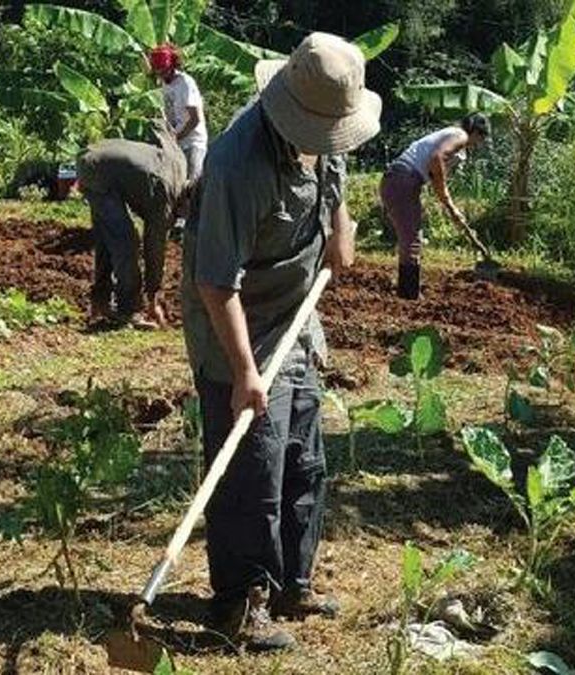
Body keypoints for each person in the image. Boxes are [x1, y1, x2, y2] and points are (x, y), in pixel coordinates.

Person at [181, 32, 379, 652]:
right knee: (250, 469)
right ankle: (241, 601)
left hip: (297, 315)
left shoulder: (324, 128)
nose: (329, 142)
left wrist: (340, 228)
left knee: (303, 458)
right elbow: (215, 282)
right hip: (237, 325)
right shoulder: (239, 163)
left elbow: (335, 177)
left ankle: (294, 578)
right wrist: (243, 372)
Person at [77, 124, 187, 328]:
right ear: (188, 204)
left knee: (107, 239)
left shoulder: (179, 167)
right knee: (126, 244)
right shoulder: (166, 196)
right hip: (98, 172)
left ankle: (100, 301)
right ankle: (129, 310)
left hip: (97, 157)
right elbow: (154, 248)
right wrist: (154, 294)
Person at [380, 115, 491, 299]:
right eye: (481, 138)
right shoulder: (460, 135)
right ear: (476, 132)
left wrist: (450, 205)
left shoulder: (451, 136)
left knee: (413, 237)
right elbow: (436, 159)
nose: (478, 144)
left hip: (401, 181)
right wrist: (447, 198)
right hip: (402, 180)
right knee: (411, 239)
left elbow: (434, 172)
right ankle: (408, 295)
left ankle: (409, 291)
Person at [150, 43, 207, 234]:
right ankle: (177, 223)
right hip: (176, 141)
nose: (161, 74)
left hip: (193, 141)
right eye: (158, 71)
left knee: (191, 184)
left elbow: (195, 118)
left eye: (163, 70)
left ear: (172, 65)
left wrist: (176, 136)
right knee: (173, 183)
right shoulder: (165, 85)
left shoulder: (185, 83)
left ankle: (191, 228)